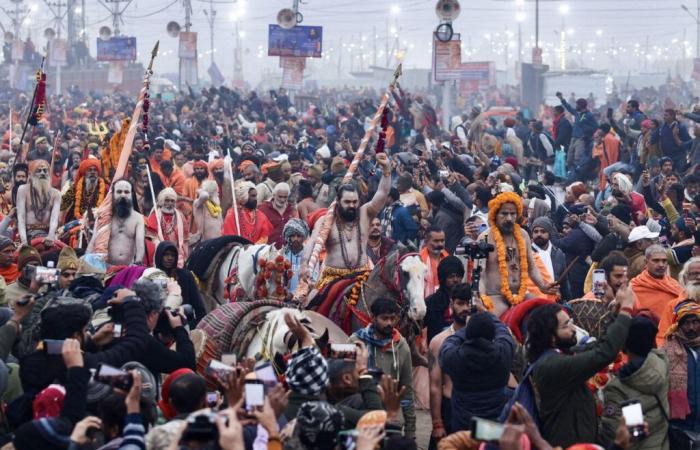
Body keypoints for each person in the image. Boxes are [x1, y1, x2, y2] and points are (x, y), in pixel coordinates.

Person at [527, 283, 635, 448]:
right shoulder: (551, 365)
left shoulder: (562, 353)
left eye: (570, 321)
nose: (573, 328)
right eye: (565, 326)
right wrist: (626, 310)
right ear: (551, 338)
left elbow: (599, 345)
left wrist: (614, 313)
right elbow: (605, 353)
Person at [304, 153, 391, 291]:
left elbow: (382, 194)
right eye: (347, 202)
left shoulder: (365, 214)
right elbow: (313, 241)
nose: (352, 206)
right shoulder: (326, 220)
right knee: (312, 305)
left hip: (362, 277)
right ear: (338, 201)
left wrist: (386, 171)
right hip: (332, 280)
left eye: (355, 202)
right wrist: (304, 264)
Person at [479, 191, 557, 316]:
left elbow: (531, 267)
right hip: (495, 296)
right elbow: (480, 274)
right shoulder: (485, 238)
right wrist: (482, 298)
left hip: (521, 295)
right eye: (504, 214)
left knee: (546, 315)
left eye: (512, 213)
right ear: (495, 214)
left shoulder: (523, 235)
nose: (509, 218)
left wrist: (543, 286)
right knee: (493, 321)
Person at [439, 304, 515, 432]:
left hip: (464, 427)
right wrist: (487, 314)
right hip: (493, 429)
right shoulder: (503, 354)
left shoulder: (454, 358)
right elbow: (503, 331)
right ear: (492, 336)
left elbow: (450, 341)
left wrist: (468, 327)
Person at [349, 297, 415, 438]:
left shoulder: (402, 347)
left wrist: (410, 431)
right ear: (373, 318)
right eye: (384, 318)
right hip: (361, 416)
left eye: (393, 318)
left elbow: (407, 390)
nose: (389, 323)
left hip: (390, 420)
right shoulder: (356, 342)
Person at [600, 316, 669, 450]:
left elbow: (614, 432)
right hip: (662, 443)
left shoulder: (618, 388)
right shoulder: (662, 363)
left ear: (625, 345)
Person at [427, 283, 470, 449]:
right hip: (450, 408)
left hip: (477, 409)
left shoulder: (486, 338)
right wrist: (437, 424)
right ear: (452, 305)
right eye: (460, 303)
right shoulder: (439, 341)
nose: (465, 308)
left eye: (469, 303)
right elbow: (435, 385)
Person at [661, 301, 700, 446]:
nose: (691, 328)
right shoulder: (666, 352)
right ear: (678, 325)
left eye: (695, 322)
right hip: (679, 428)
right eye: (686, 323)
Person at [88, 179, 145, 266]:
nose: (123, 195)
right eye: (119, 192)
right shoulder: (104, 217)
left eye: (126, 192)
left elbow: (140, 244)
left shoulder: (138, 218)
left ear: (131, 195)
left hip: (126, 270)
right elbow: (93, 241)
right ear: (113, 194)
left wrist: (138, 261)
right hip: (103, 268)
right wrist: (85, 261)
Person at [154, 241, 206, 325]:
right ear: (159, 256)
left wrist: (201, 326)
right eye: (166, 254)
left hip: (185, 323)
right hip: (160, 326)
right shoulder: (153, 276)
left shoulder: (186, 276)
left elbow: (198, 305)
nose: (170, 258)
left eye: (173, 255)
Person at [631, 244, 684, 319]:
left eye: (664, 261)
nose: (661, 265)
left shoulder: (675, 285)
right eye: (656, 261)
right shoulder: (635, 286)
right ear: (646, 262)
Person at [16, 159, 61, 246]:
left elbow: (54, 219)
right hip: (28, 234)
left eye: (45, 170)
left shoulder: (56, 194)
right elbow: (21, 218)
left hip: (47, 235)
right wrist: (24, 241)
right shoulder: (23, 190)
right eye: (38, 171)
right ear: (31, 174)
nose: (42, 173)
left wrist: (51, 236)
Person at [424, 258, 465, 343]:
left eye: (458, 276)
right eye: (451, 276)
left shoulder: (468, 300)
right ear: (443, 278)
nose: (455, 280)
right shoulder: (431, 302)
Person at [528, 216, 569, 301]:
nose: (539, 234)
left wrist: (567, 300)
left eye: (543, 231)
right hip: (532, 300)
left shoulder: (558, 253)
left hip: (555, 300)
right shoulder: (527, 253)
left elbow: (564, 281)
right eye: (536, 231)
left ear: (549, 233)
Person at [146, 188, 189, 266]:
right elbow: (151, 237)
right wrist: (160, 246)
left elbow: (185, 240)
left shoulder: (180, 216)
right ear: (162, 201)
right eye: (167, 200)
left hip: (176, 252)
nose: (170, 203)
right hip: (160, 251)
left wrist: (184, 254)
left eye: (172, 201)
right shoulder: (155, 215)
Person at [221, 179, 272, 243]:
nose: (256, 199)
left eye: (256, 196)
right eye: (253, 196)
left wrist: (254, 248)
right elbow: (229, 238)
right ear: (244, 196)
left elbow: (264, 236)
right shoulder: (233, 214)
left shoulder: (260, 215)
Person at [62, 158, 107, 222]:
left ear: (98, 172)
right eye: (89, 170)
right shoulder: (76, 187)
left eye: (95, 170)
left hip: (98, 221)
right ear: (85, 173)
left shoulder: (105, 188)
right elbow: (63, 204)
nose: (92, 172)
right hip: (77, 221)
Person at [257, 182, 298, 248]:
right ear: (274, 195)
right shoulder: (263, 208)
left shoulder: (292, 210)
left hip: (287, 249)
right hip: (267, 249)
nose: (282, 200)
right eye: (280, 196)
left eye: (285, 197)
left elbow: (297, 229)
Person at [190, 179, 223, 245]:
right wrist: (201, 190)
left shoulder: (216, 206)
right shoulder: (198, 203)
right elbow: (204, 196)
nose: (217, 194)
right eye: (214, 192)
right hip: (206, 241)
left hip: (218, 239)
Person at [420, 226, 449, 298]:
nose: (440, 244)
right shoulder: (418, 261)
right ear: (426, 241)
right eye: (436, 241)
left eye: (442, 241)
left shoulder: (449, 260)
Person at [282, 219, 309, 294]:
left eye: (299, 236)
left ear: (303, 237)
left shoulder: (309, 254)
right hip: (285, 298)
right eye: (293, 236)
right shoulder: (282, 254)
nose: (296, 239)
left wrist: (295, 294)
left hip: (304, 298)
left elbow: (313, 281)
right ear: (289, 237)